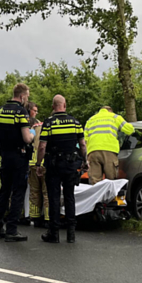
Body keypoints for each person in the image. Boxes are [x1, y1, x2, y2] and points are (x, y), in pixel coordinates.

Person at [0, 83, 41, 241]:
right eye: (27, 97)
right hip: (19, 156)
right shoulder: (20, 112)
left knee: (4, 191)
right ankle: (12, 230)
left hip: (5, 156)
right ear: (22, 96)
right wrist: (33, 133)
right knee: (18, 192)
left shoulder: (0, 111)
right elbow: (26, 138)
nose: (27, 100)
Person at [36, 94, 87, 244]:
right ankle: (71, 233)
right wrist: (85, 161)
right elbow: (82, 144)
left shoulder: (49, 123)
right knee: (70, 196)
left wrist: (39, 164)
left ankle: (54, 232)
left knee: (54, 197)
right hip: (71, 165)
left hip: (53, 165)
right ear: (65, 105)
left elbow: (42, 146)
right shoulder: (75, 122)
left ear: (53, 107)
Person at [84, 105, 134, 184]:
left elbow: (85, 139)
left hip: (93, 151)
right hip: (109, 151)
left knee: (95, 181)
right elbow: (130, 130)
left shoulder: (91, 119)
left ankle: (97, 196)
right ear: (110, 111)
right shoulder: (115, 117)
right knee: (111, 179)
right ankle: (110, 196)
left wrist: (86, 156)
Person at [25, 102, 49, 227]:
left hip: (31, 163)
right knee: (46, 192)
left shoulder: (27, 125)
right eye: (34, 110)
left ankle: (35, 217)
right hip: (44, 163)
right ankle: (47, 218)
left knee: (34, 192)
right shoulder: (43, 125)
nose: (36, 112)